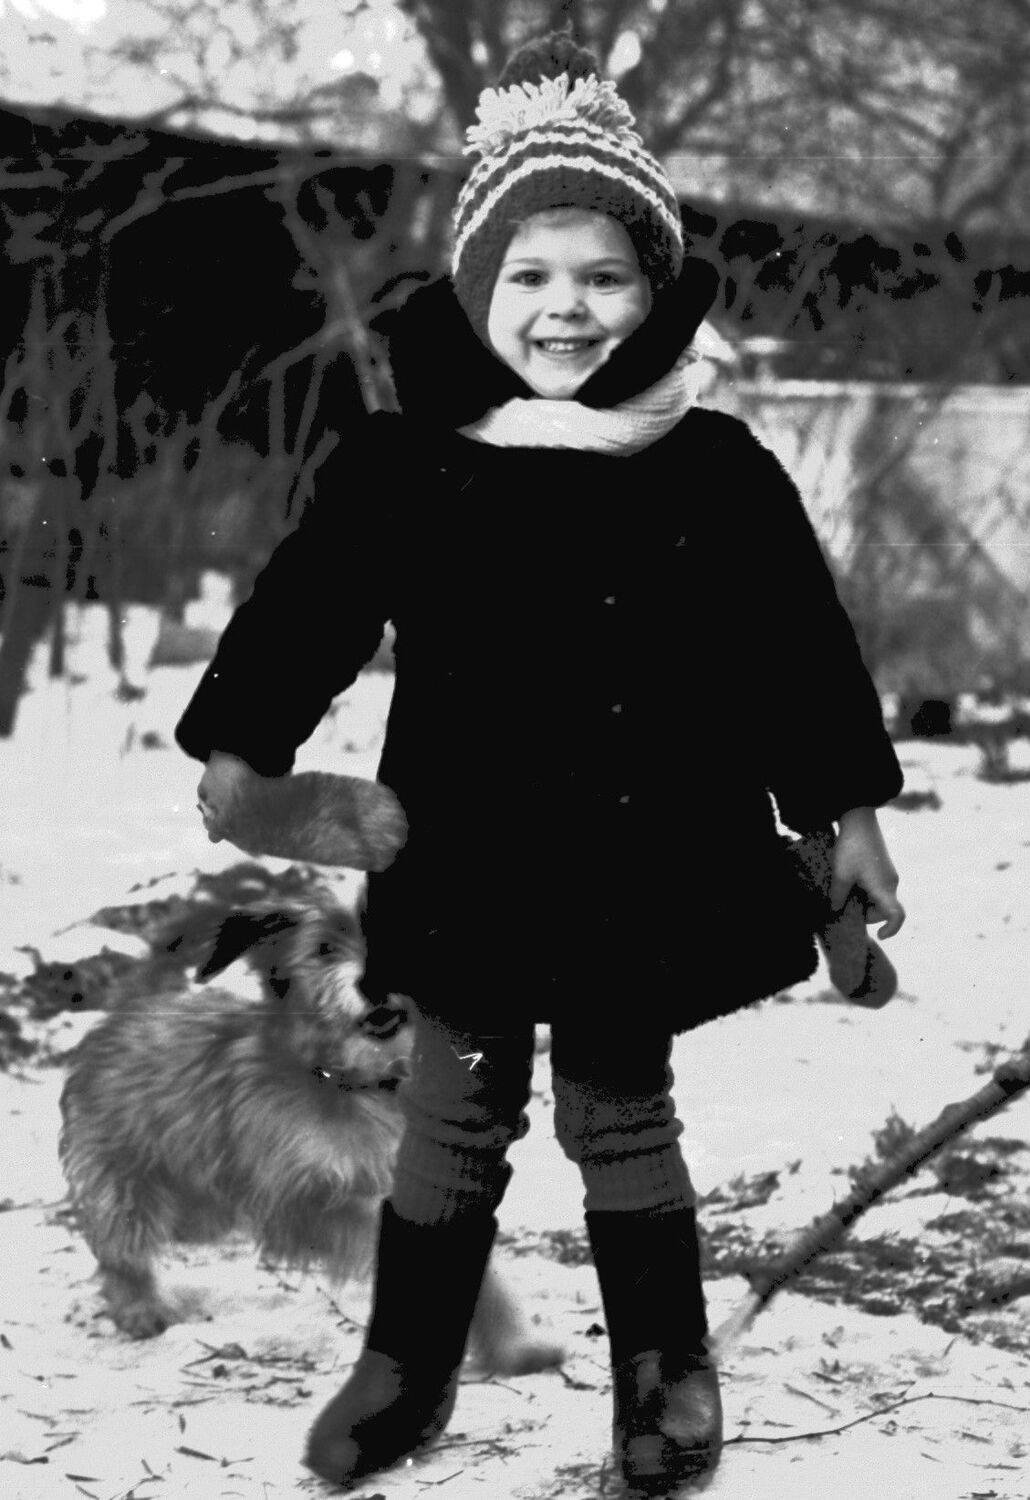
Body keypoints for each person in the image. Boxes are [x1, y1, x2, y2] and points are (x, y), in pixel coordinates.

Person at [175, 30, 906, 1496]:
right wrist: (246, 750)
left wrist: (844, 813)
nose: (564, 306)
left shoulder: (713, 468)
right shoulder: (411, 464)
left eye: (603, 276)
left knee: (618, 1113)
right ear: (476, 289)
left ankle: (664, 1379)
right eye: (529, 274)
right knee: (453, 1114)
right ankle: (404, 1368)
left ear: (655, 291)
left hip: (645, 862)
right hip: (467, 862)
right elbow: (308, 610)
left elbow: (795, 651)